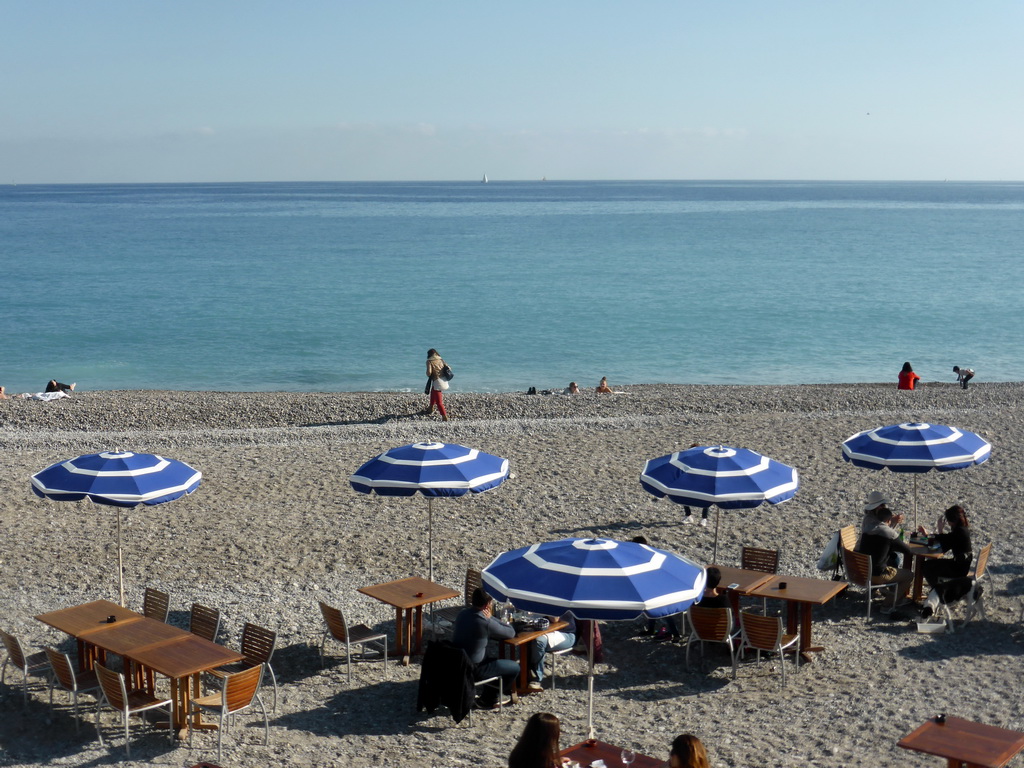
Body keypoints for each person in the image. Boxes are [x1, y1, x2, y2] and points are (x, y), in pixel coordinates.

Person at [452, 587, 519, 708]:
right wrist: (491, 617)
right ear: (488, 604)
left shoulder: (462, 614)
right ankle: (491, 698)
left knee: (492, 659)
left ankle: (490, 691)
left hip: (456, 664)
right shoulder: (484, 621)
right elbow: (510, 632)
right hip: (474, 668)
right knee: (514, 667)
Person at [856, 492, 914, 606]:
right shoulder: (874, 523)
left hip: (862, 566)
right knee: (908, 573)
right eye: (882, 505)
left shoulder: (870, 525)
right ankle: (889, 603)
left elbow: (882, 534)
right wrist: (892, 525)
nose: (884, 507)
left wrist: (892, 522)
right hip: (875, 571)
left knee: (894, 559)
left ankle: (889, 591)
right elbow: (907, 551)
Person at [922, 504, 973, 588]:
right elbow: (946, 542)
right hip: (962, 564)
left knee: (926, 567)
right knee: (930, 565)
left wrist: (932, 533)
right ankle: (939, 589)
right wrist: (939, 532)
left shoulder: (959, 532)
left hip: (959, 569)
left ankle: (938, 592)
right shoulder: (963, 528)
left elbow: (941, 546)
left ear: (952, 521)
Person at [527, 612, 576, 691]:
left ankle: (536, 678)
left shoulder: (558, 600)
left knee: (539, 642)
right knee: (526, 640)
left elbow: (555, 619)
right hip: (545, 630)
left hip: (566, 634)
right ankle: (523, 674)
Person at [424, 348, 449, 421]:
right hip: (444, 380)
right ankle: (430, 407)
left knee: (439, 402)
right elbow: (449, 368)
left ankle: (444, 416)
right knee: (433, 392)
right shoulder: (441, 359)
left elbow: (429, 373)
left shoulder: (429, 361)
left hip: (437, 382)